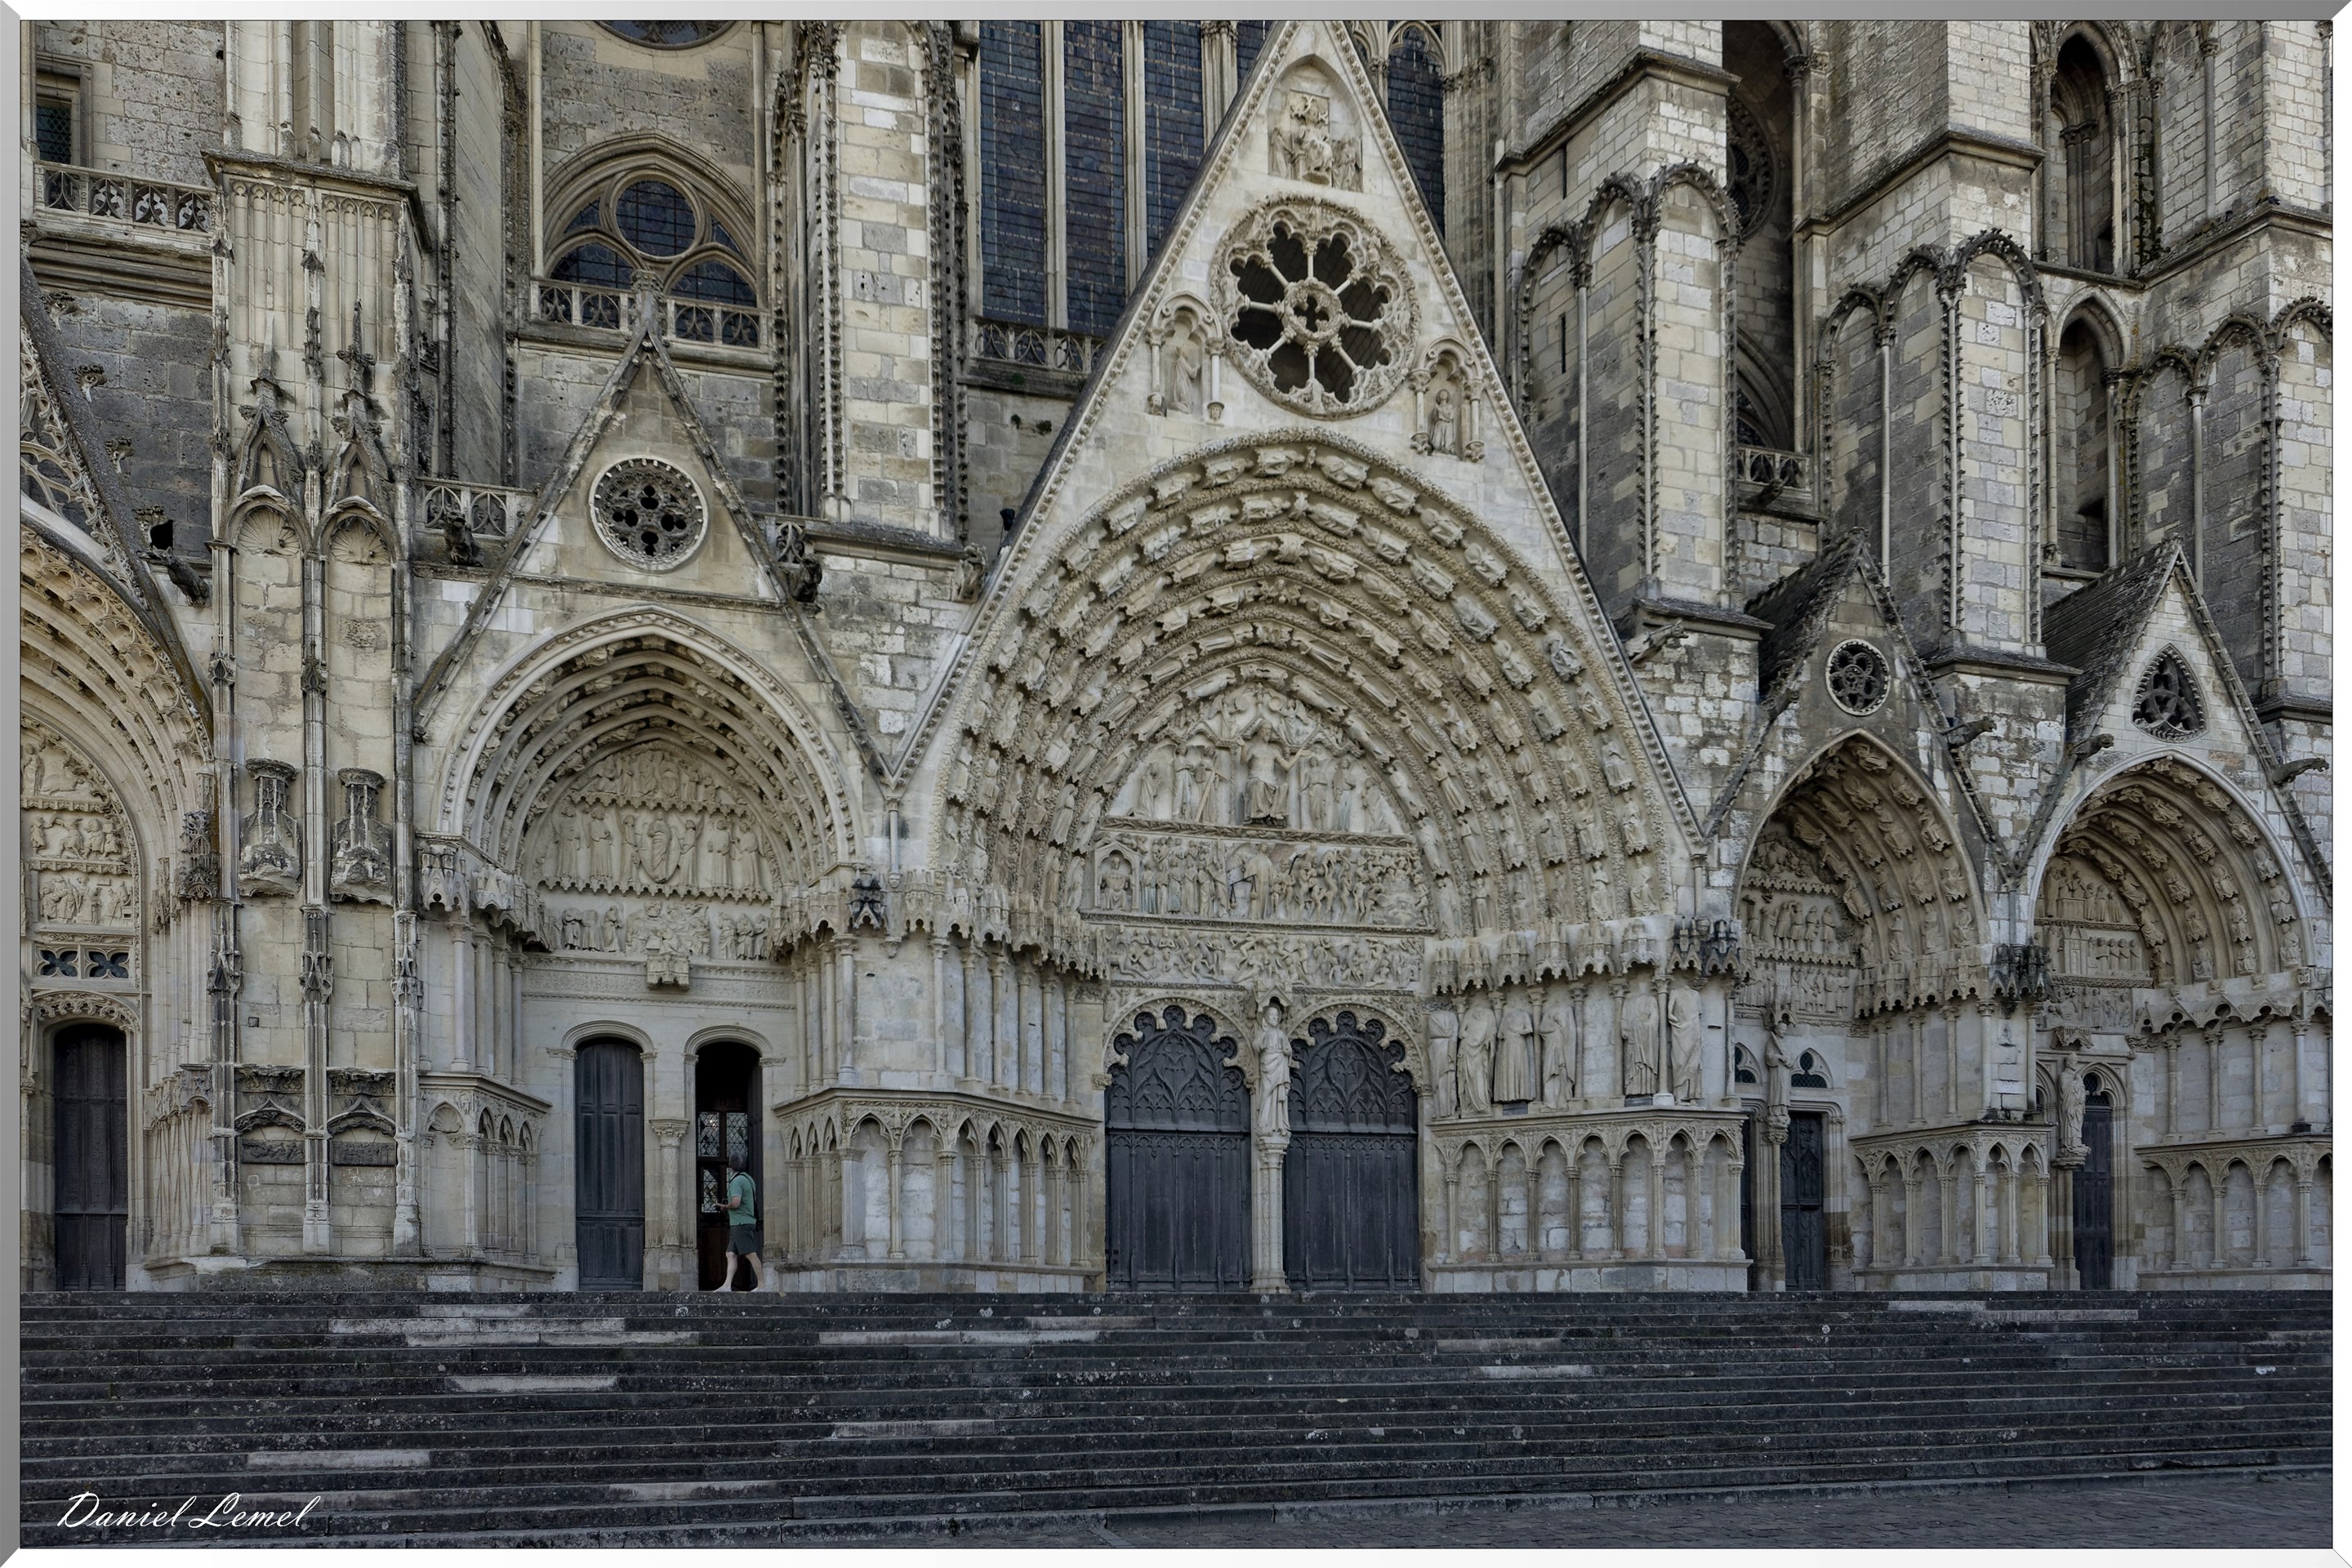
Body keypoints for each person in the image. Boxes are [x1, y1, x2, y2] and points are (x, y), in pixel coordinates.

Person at [719, 1165, 763, 1292]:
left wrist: (724, 1206)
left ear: (731, 1167)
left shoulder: (737, 1181)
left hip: (741, 1223)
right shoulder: (748, 1179)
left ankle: (762, 1285)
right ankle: (727, 1285)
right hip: (739, 1223)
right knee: (730, 1254)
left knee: (750, 1254)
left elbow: (736, 1202)